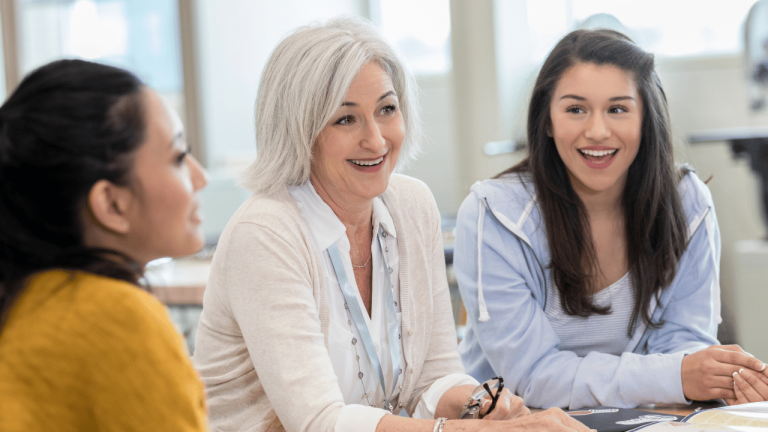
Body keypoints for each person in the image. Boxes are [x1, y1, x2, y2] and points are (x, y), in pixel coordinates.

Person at [192, 17, 589, 432]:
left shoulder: (412, 205)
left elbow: (433, 376)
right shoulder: (265, 233)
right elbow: (318, 422)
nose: (377, 140)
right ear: (299, 131)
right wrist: (473, 431)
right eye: (346, 119)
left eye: (386, 109)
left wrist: (478, 405)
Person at [454, 28, 767, 410]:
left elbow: (684, 347)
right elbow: (532, 378)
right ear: (547, 121)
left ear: (645, 118)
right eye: (575, 109)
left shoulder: (687, 202)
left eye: (618, 109)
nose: (598, 131)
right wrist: (676, 377)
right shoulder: (494, 215)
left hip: (642, 417)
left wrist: (715, 377)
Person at [0, 59, 209, 431]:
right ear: (112, 204)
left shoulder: (27, 299)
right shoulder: (116, 315)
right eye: (178, 157)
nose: (200, 177)